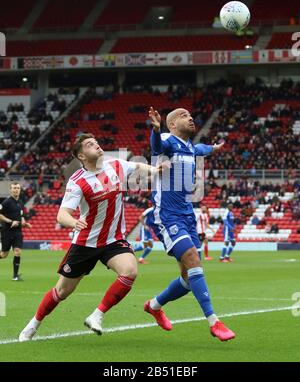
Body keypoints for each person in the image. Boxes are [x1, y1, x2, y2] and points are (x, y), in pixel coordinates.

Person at [19, 133, 158, 342]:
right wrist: (74, 222)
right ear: (81, 156)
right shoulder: (77, 182)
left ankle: (97, 315)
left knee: (129, 271)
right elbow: (62, 215)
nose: (97, 146)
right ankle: (33, 324)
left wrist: (156, 170)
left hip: (113, 240)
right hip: (86, 242)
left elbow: (137, 167)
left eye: (96, 142)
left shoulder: (115, 165)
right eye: (90, 144)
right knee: (62, 292)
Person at [144, 107, 235, 342]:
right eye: (183, 116)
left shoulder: (190, 148)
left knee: (187, 278)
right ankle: (214, 322)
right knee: (194, 259)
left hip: (187, 215)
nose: (190, 117)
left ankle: (154, 305)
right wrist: (156, 130)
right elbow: (157, 148)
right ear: (172, 124)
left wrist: (214, 148)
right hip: (168, 215)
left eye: (190, 115)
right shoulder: (167, 139)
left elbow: (201, 149)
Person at [0, 182, 32, 281]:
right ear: (10, 190)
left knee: (17, 252)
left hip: (18, 232)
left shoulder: (20, 202)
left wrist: (24, 223)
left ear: (20, 190)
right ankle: (15, 275)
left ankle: (15, 276)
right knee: (4, 255)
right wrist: (10, 222)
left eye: (17, 188)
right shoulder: (6, 202)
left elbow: (21, 216)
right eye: (14, 188)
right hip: (7, 231)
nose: (16, 190)